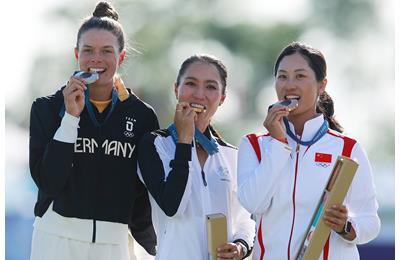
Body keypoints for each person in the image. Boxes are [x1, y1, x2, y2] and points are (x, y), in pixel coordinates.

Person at [29, 2, 158, 260]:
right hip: (56, 240)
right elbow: (48, 182)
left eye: (106, 51)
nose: (96, 59)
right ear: (76, 53)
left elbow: (144, 196)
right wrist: (69, 118)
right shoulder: (46, 108)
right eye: (88, 50)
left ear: (120, 57)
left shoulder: (143, 116)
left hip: (115, 245)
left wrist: (157, 248)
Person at [237, 42, 380, 260]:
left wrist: (346, 226)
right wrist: (278, 143)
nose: (289, 85)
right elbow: (253, 204)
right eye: (282, 76)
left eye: (300, 76)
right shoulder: (254, 145)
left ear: (322, 85)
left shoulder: (348, 148)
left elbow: (371, 222)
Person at [137, 54, 255, 260]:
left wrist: (241, 246)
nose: (200, 94)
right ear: (176, 89)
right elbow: (173, 207)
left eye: (210, 87)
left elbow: (245, 219)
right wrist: (184, 141)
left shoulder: (232, 155)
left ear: (223, 98)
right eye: (191, 84)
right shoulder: (155, 144)